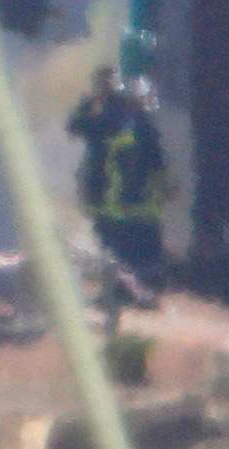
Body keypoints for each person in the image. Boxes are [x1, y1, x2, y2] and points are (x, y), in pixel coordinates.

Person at [68, 68, 168, 305]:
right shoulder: (112, 116)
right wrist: (89, 103)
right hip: (114, 200)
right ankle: (132, 291)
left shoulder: (133, 121)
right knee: (122, 250)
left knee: (130, 250)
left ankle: (137, 290)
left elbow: (156, 160)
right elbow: (76, 126)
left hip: (128, 201)